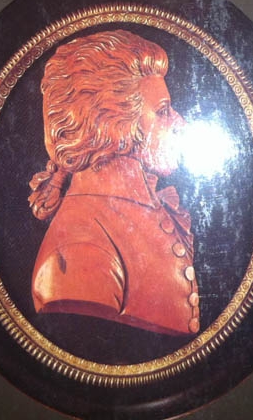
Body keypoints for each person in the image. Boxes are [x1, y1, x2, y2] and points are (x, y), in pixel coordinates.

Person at [27, 29, 201, 336]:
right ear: (113, 125)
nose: (180, 123)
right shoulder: (78, 252)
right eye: (163, 111)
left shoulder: (142, 209)